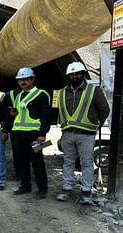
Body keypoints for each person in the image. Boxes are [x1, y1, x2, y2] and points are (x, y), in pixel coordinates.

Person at [56, 61, 109, 204]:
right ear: (68, 76)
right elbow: (60, 113)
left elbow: (104, 110)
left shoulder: (93, 90)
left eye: (77, 74)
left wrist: (95, 125)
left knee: (86, 163)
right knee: (68, 162)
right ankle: (66, 189)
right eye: (71, 74)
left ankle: (86, 192)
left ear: (83, 74)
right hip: (67, 133)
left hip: (86, 135)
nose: (74, 76)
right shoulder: (62, 93)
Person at [9, 67, 51, 199]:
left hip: (34, 134)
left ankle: (42, 189)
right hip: (18, 134)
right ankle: (25, 185)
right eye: (20, 80)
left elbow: (46, 116)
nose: (22, 82)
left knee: (37, 162)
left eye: (25, 79)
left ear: (32, 79)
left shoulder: (41, 95)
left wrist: (42, 133)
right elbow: (18, 114)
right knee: (22, 161)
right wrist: (12, 115)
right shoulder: (19, 95)